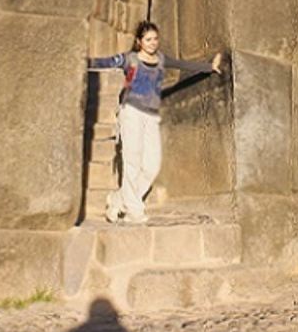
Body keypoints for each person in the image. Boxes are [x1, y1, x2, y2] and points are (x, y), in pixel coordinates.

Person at [88, 21, 222, 225]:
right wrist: (78, 60)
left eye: (155, 39)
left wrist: (209, 67)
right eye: (148, 39)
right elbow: (103, 62)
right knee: (132, 163)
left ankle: (117, 199)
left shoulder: (160, 59)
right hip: (131, 113)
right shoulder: (129, 59)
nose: (153, 43)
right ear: (139, 41)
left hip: (151, 116)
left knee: (152, 165)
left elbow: (182, 64)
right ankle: (134, 211)